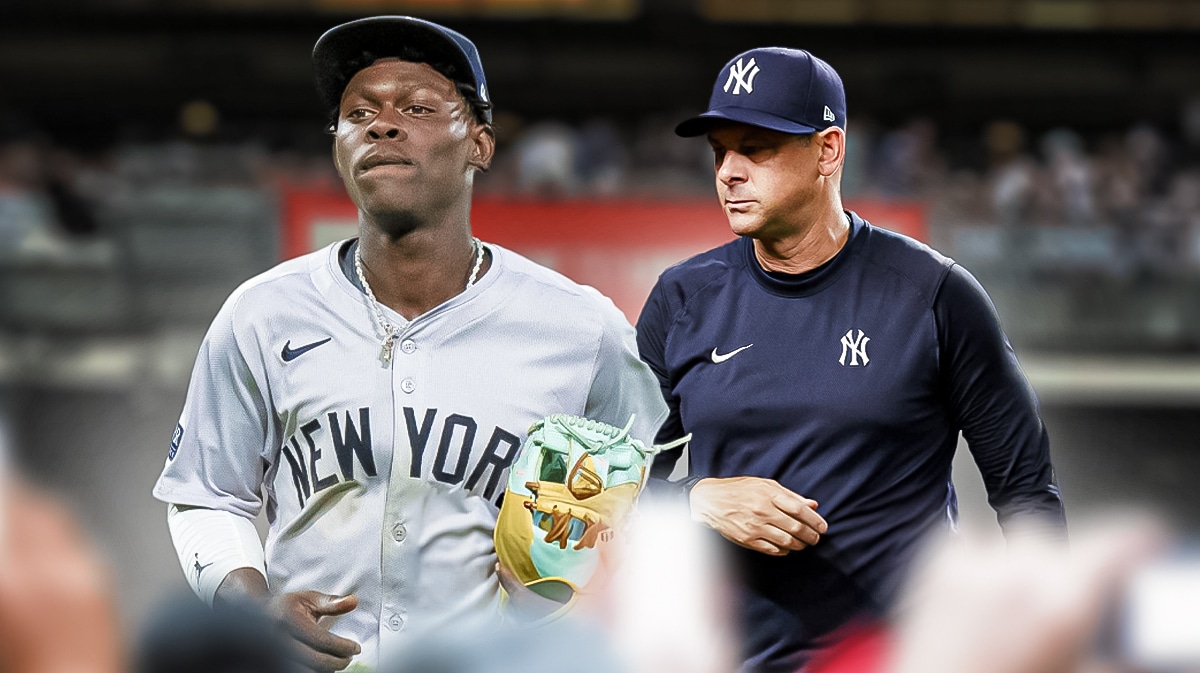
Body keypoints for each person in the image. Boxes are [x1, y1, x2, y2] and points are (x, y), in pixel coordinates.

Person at [152, 16, 667, 672]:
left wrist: (581, 590)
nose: (382, 123)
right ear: (337, 145)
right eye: (357, 112)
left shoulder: (580, 328)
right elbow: (204, 493)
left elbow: (655, 508)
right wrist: (249, 606)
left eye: (420, 107)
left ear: (480, 143)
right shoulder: (261, 314)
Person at [636, 47, 1066, 673]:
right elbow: (600, 484)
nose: (728, 171)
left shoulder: (934, 294)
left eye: (755, 148)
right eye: (719, 150)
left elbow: (1025, 490)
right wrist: (694, 500)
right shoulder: (682, 298)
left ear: (829, 151)